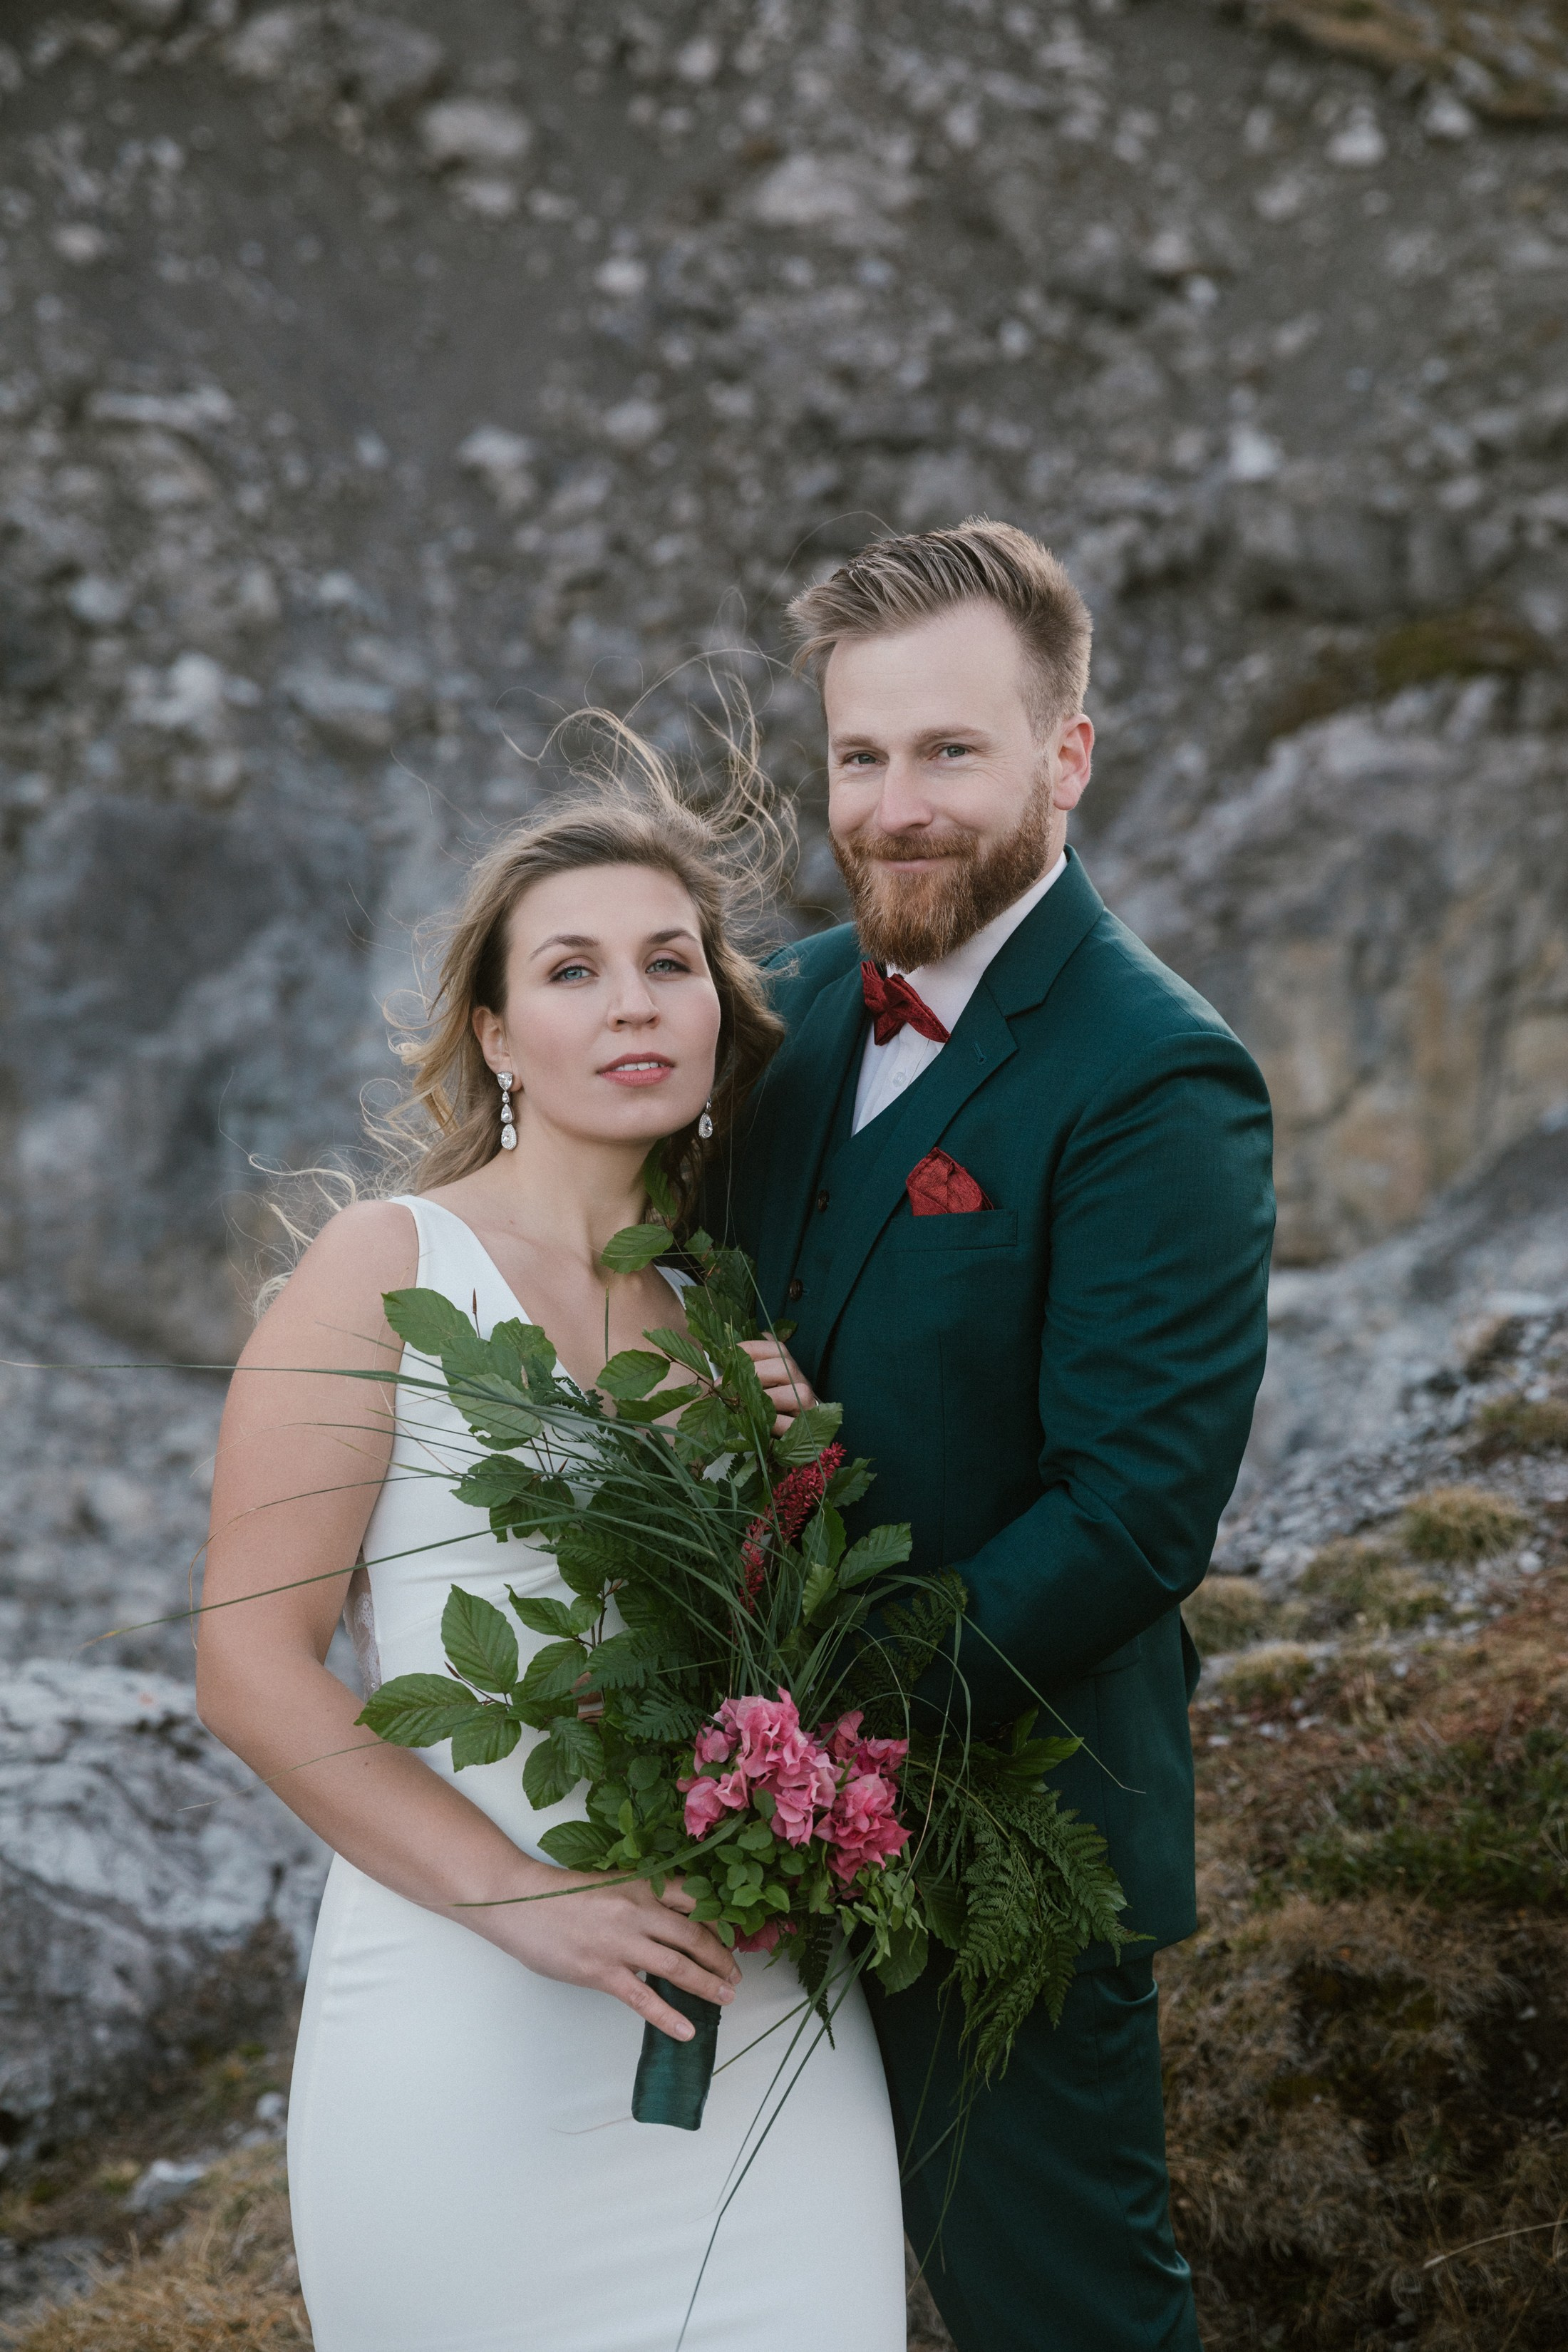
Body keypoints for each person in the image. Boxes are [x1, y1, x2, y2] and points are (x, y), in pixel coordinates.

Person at [195, 748, 908, 2352]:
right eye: (574, 972)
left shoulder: (734, 1320)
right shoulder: (389, 1268)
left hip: (754, 2021)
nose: (634, 1004)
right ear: (501, 1037)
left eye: (670, 964)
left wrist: (787, 1487)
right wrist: (520, 1899)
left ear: (719, 1022)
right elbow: (248, 1665)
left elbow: (743, 1671)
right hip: (472, 2014)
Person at [718, 520, 1276, 2351]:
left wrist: (825, 1733)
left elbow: (1124, 1520)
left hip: (1005, 1848)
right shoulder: (782, 1010)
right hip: (732, 1831)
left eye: (947, 751)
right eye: (859, 755)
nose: (891, 805)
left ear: (1065, 756)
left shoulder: (1154, 1075)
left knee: (1062, 2323)